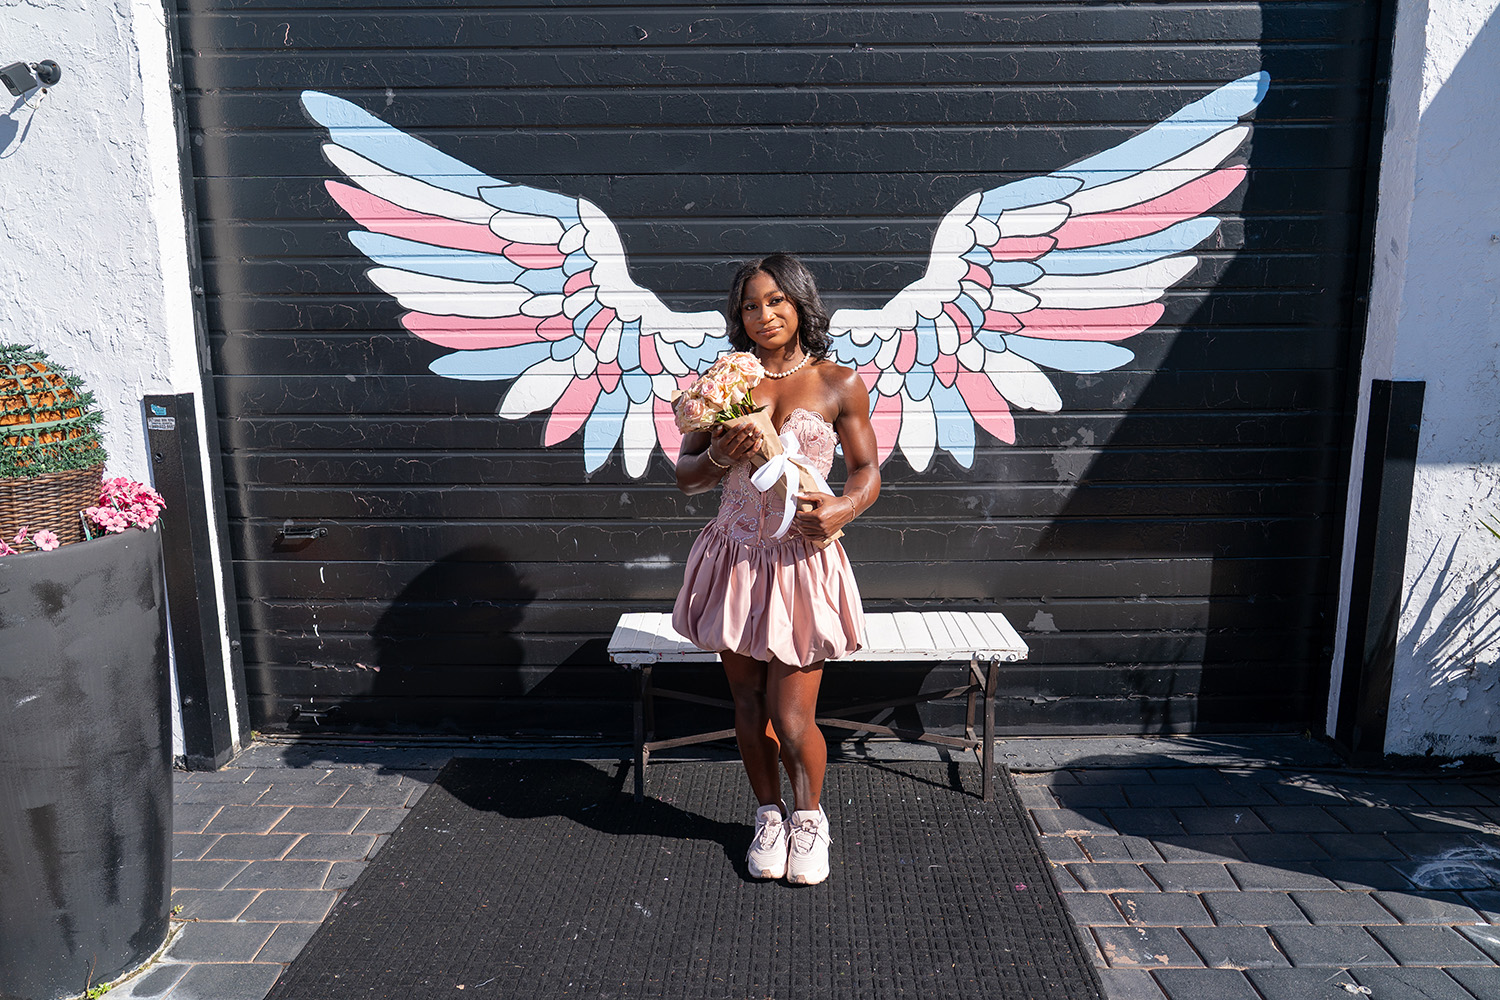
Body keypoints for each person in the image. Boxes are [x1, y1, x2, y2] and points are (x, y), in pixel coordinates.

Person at [671, 253, 880, 885]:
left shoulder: (839, 382)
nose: (764, 315)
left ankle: (809, 819)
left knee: (792, 717)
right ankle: (767, 815)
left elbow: (868, 473)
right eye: (751, 305)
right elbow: (686, 479)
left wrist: (843, 507)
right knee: (745, 699)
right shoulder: (722, 385)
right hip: (736, 556)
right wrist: (717, 457)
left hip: (802, 562)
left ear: (800, 303)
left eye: (776, 301)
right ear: (738, 315)